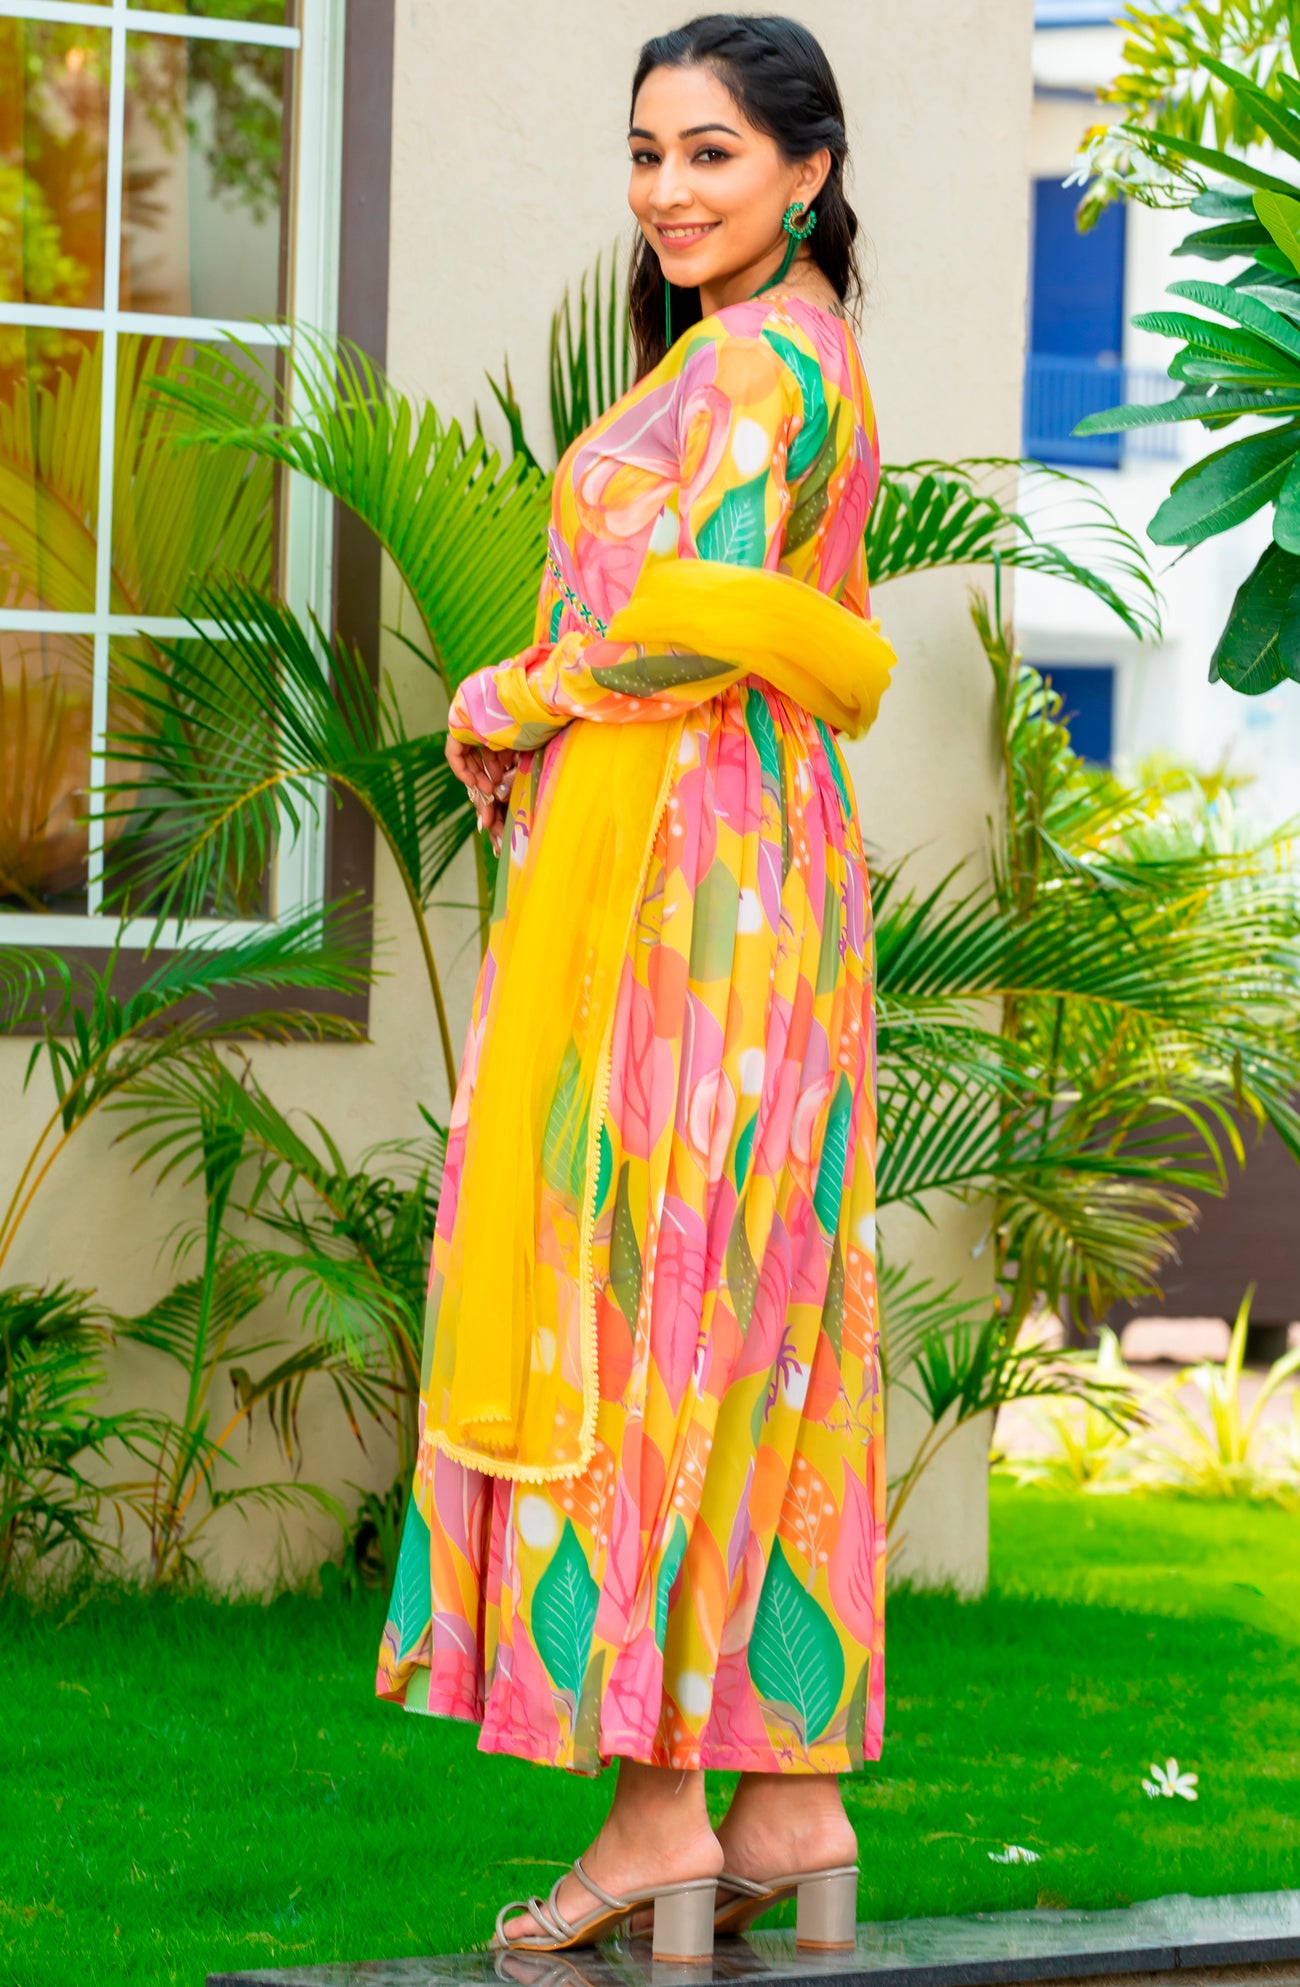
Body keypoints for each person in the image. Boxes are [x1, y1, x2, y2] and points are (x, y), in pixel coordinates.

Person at [376, 13, 893, 1962]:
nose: (670, 190)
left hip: (684, 879)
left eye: (713, 153)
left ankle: (658, 1811)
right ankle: (787, 1792)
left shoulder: (755, 365)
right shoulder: (801, 350)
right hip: (758, 860)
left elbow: (695, 625)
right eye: (648, 152)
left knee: (637, 1294)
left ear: (807, 171)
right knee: (753, 1306)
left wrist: (508, 694)